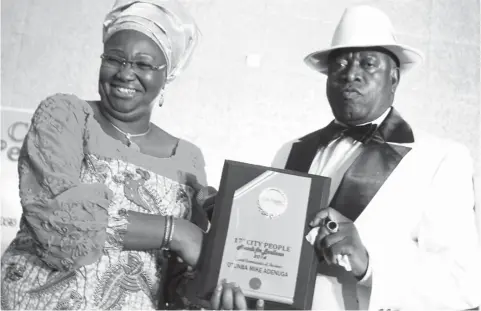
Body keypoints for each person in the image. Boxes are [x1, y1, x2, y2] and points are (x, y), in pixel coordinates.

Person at [211, 5, 480, 311]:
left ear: (394, 78)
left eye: (368, 64)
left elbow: (463, 282)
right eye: (340, 64)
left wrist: (367, 263)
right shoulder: (291, 151)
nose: (351, 74)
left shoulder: (441, 158)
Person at [0, 0, 211, 309]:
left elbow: (179, 278)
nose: (125, 73)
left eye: (143, 64)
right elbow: (57, 219)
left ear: (167, 75)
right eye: (114, 59)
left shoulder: (188, 159)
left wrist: (213, 289)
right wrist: (175, 231)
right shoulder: (65, 115)